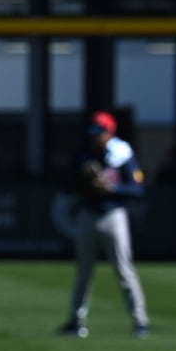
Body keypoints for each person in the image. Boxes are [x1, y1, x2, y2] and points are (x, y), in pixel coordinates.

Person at [57, 111, 150, 339]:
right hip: (88, 214)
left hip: (113, 215)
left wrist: (111, 189)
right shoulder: (83, 154)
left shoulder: (122, 153)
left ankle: (140, 322)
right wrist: (83, 182)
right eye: (94, 131)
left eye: (100, 131)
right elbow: (67, 185)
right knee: (83, 272)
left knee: (124, 270)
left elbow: (137, 189)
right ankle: (76, 322)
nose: (96, 135)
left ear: (110, 132)